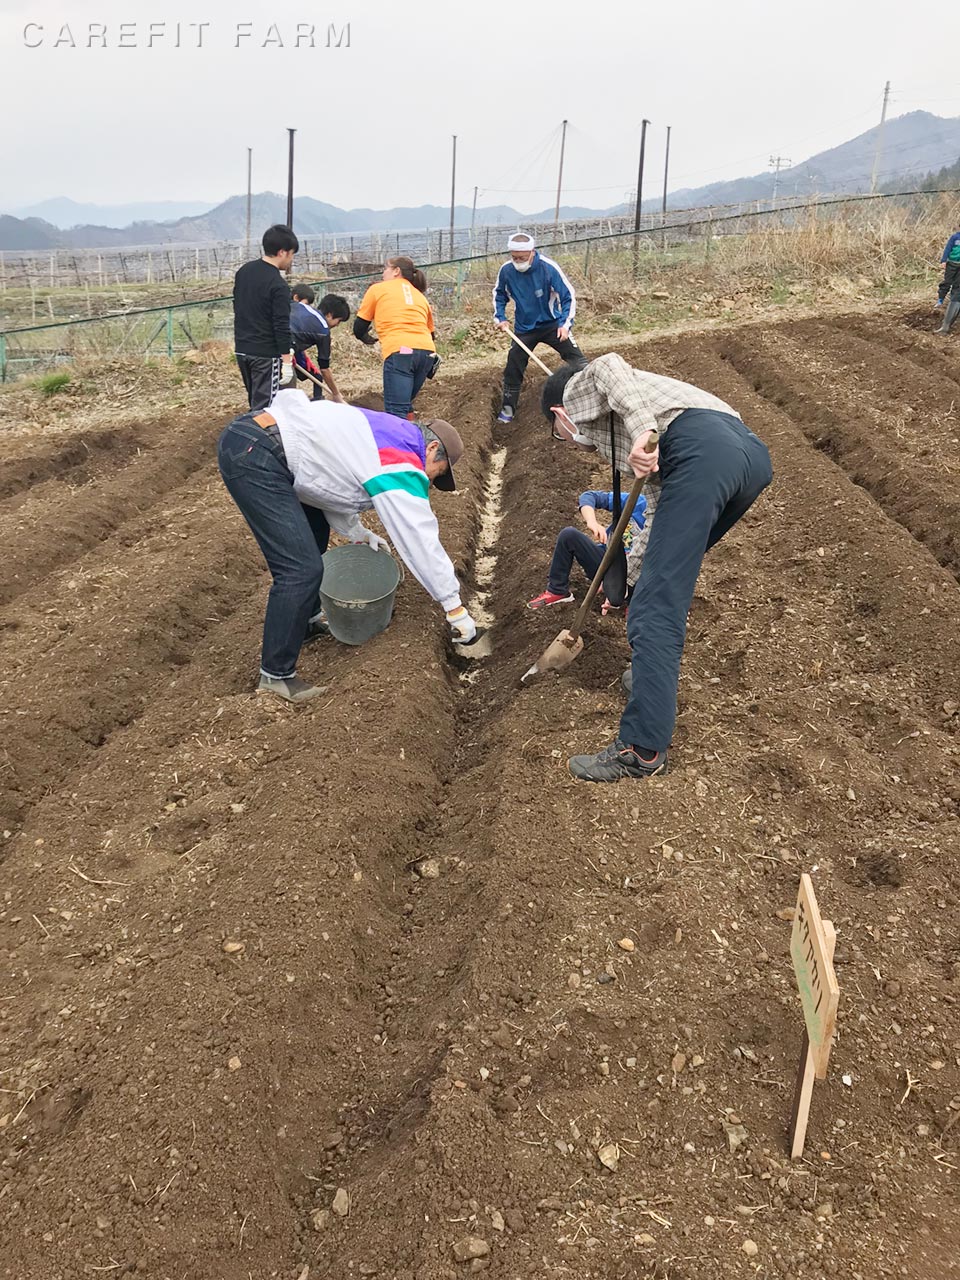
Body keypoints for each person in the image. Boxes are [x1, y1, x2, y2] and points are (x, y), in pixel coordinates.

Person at [540, 354, 773, 782]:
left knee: (654, 611)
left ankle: (641, 749)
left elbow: (609, 366)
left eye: (557, 435)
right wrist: (629, 580)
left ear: (559, 415)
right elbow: (664, 505)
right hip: (748, 458)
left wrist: (643, 430)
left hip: (702, 452)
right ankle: (649, 679)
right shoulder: (628, 428)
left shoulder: (576, 394)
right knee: (655, 586)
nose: (566, 440)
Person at [217, 389, 476, 702]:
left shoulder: (387, 433)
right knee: (300, 570)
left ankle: (308, 621)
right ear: (432, 448)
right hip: (257, 454)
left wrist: (357, 531)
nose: (431, 481)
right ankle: (276, 675)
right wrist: (454, 607)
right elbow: (418, 538)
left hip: (263, 441)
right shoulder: (401, 460)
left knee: (313, 537)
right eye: (439, 473)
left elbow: (330, 480)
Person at [492, 231, 587, 424]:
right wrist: (500, 317)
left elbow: (568, 296)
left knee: (578, 362)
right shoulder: (507, 271)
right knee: (513, 366)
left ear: (532, 252)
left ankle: (588, 397)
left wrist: (565, 325)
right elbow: (499, 294)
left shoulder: (548, 268)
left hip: (552, 324)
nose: (518, 261)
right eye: (514, 257)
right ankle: (508, 408)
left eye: (522, 258)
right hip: (524, 329)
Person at [526, 488, 647, 611]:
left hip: (637, 580)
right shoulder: (638, 502)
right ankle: (557, 590)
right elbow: (589, 496)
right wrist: (592, 522)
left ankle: (634, 608)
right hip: (605, 561)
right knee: (569, 535)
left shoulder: (664, 528)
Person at [353, 257, 440, 418]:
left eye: (386, 268)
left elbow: (359, 327)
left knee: (395, 413)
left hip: (400, 351)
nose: (383, 273)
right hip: (427, 354)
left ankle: (402, 442)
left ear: (396, 271)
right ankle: (414, 437)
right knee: (405, 404)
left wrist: (367, 338)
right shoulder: (420, 296)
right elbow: (431, 334)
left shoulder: (377, 289)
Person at [233, 225, 299, 410]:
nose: (291, 260)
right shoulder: (278, 285)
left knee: (256, 404)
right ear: (282, 252)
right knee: (267, 411)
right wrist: (286, 361)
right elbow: (281, 324)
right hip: (265, 355)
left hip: (243, 349)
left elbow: (238, 307)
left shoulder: (244, 272)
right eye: (292, 254)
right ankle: (259, 439)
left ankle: (252, 436)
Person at [290, 285, 350, 402]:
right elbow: (325, 369)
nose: (337, 325)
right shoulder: (323, 330)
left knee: (316, 377)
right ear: (330, 314)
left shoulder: (303, 308)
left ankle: (318, 402)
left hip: (257, 344)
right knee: (286, 389)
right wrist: (336, 394)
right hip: (278, 353)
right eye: (339, 321)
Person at [937, 225, 960, 334]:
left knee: (957, 290)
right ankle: (940, 299)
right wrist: (944, 260)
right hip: (952, 264)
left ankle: (946, 326)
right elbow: (947, 249)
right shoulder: (955, 237)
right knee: (947, 283)